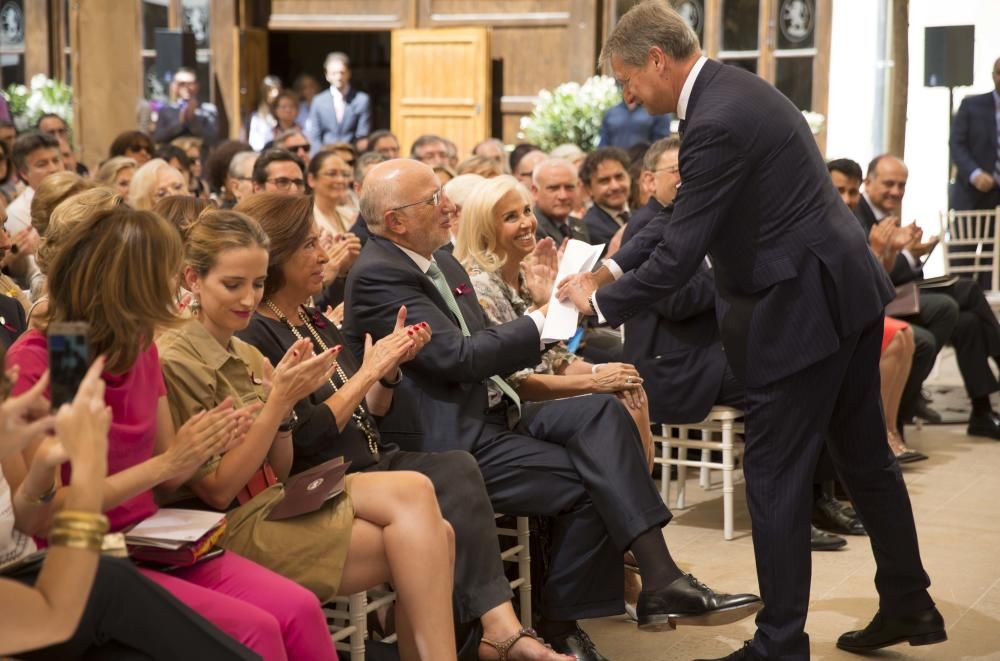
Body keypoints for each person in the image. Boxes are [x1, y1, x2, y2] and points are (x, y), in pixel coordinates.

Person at [556, 4, 941, 658]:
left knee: (773, 472)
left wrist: (593, 306)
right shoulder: (732, 91)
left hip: (801, 306)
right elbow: (678, 222)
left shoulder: (714, 122)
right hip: (838, 288)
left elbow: (680, 254)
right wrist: (612, 265)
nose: (626, 95)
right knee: (864, 457)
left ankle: (779, 642)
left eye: (627, 79)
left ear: (657, 59)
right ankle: (908, 600)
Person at [345, 158, 761, 661]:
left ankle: (657, 577)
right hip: (443, 440)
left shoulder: (441, 261)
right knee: (596, 480)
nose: (447, 205)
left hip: (494, 409)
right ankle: (568, 619)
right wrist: (544, 319)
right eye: (433, 199)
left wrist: (547, 318)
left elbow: (487, 352)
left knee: (603, 414)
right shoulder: (377, 275)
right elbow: (461, 358)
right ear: (396, 222)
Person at [233, 192, 571, 661]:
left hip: (366, 457)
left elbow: (374, 412)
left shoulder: (312, 320)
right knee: (450, 473)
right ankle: (498, 632)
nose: (324, 256)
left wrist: (389, 369)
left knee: (456, 466)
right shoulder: (257, 332)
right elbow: (305, 436)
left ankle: (491, 631)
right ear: (278, 257)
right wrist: (371, 371)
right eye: (310, 246)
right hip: (321, 474)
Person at [5, 205, 340, 659]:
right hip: (90, 552)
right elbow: (57, 507)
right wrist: (172, 462)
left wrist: (210, 444)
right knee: (255, 629)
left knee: (299, 608)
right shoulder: (61, 354)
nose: (177, 291)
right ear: (128, 284)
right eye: (166, 275)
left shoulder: (137, 344)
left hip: (156, 537)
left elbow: (167, 475)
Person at [158, 208, 460, 660]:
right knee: (435, 535)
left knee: (426, 507)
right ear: (192, 279)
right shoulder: (178, 359)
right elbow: (219, 492)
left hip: (272, 499)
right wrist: (279, 403)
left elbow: (277, 467)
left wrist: (280, 411)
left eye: (257, 284)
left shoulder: (241, 347)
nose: (247, 298)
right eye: (232, 284)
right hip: (225, 528)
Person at [0, 353, 258, 660]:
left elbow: (27, 520)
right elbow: (50, 618)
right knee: (109, 578)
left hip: (77, 569)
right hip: (57, 595)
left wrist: (43, 466)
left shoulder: (123, 352)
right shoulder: (54, 354)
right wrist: (87, 467)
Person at [455, 174, 654, 467]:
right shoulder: (479, 285)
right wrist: (595, 381)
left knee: (630, 387)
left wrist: (604, 371)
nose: (526, 223)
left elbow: (558, 357)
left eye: (526, 211)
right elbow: (514, 382)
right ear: (485, 228)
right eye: (511, 217)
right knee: (615, 405)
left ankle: (638, 494)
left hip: (542, 396)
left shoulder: (525, 275)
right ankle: (635, 496)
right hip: (509, 411)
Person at [856, 154, 1000, 440]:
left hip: (898, 294)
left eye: (902, 185)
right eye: (889, 184)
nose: (896, 191)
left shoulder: (885, 214)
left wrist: (913, 254)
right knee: (967, 290)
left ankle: (982, 413)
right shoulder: (857, 213)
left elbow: (900, 273)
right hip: (879, 302)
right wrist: (909, 255)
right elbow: (870, 270)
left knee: (969, 322)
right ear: (868, 182)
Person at [826, 158, 927, 463]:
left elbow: (876, 284)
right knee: (900, 337)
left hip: (858, 311)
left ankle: (889, 430)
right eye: (840, 190)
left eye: (852, 192)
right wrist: (880, 250)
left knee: (906, 335)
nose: (847, 199)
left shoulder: (853, 220)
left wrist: (888, 250)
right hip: (833, 317)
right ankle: (876, 438)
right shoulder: (821, 222)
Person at [948, 56, 1000, 211]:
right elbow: (956, 144)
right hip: (973, 196)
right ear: (993, 76)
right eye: (999, 73)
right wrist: (974, 173)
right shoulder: (971, 106)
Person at [306, 53, 372, 153]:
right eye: (334, 73)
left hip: (351, 155)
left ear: (348, 73)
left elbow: (362, 134)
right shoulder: (318, 101)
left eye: (342, 72)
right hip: (325, 155)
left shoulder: (361, 99)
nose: (338, 76)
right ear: (327, 75)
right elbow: (315, 135)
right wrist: (317, 159)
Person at [154, 67, 221, 150]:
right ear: (173, 86)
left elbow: (213, 139)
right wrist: (180, 123)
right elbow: (158, 138)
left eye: (190, 84)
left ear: (197, 85)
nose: (186, 87)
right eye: (181, 84)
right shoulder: (166, 110)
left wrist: (193, 120)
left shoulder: (208, 110)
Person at [578, 147, 631, 247]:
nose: (615, 186)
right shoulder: (588, 227)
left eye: (619, 177)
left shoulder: (641, 214)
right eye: (604, 181)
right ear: (589, 188)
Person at [531, 158, 589, 243]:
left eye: (569, 187)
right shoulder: (531, 229)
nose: (563, 196)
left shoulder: (579, 224)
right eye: (553, 188)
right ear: (535, 191)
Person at [599, 100, 671, 149]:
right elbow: (603, 145)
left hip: (644, 165)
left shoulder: (656, 110)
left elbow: (661, 145)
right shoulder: (611, 113)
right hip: (617, 165)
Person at [247, 75, 284, 151]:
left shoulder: (285, 113)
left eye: (277, 90)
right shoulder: (256, 117)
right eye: (270, 90)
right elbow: (255, 143)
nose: (275, 94)